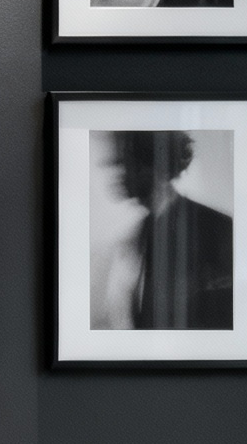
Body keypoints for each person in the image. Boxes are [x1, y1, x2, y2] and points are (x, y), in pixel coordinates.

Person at [93, 131, 232, 331]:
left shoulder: (218, 229)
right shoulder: (132, 239)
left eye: (123, 163)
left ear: (156, 164)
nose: (116, 175)